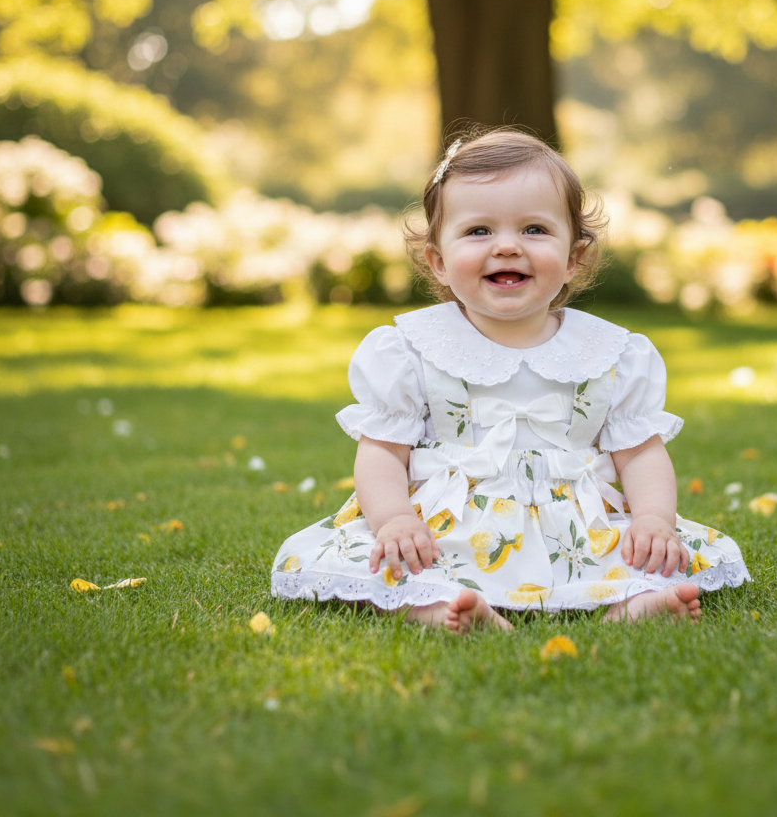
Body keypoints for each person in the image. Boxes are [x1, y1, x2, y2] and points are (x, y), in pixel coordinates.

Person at [271, 128, 750, 632]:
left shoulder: (611, 353)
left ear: (573, 259)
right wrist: (395, 520)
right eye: (479, 231)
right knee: (389, 562)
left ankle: (634, 605)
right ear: (439, 261)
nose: (506, 247)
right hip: (450, 521)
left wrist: (653, 520)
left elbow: (640, 452)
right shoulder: (412, 349)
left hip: (575, 525)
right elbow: (383, 451)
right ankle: (440, 607)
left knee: (647, 556)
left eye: (534, 229)